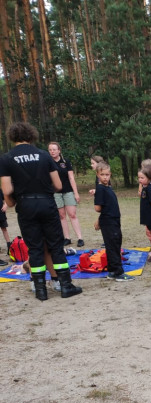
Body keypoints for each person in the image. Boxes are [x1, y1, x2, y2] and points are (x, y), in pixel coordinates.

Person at [0, 122, 82, 301]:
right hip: (47, 204)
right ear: (31, 136)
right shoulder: (44, 155)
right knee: (55, 246)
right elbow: (59, 185)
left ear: (13, 137)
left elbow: (6, 191)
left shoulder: (6, 159)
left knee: (35, 248)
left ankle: (40, 291)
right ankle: (66, 286)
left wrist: (15, 201)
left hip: (25, 206)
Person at [93, 162, 133, 281]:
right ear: (97, 175)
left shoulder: (107, 187)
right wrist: (100, 219)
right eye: (102, 174)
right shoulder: (100, 189)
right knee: (113, 246)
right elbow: (98, 208)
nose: (105, 177)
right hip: (109, 222)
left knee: (114, 244)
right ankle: (118, 272)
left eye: (107, 174)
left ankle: (111, 270)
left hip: (114, 220)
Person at [47, 141, 84, 247]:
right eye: (50, 150)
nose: (52, 151)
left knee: (72, 214)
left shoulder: (65, 161)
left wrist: (76, 193)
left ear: (59, 150)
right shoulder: (48, 163)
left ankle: (80, 238)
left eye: (54, 149)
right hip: (56, 193)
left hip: (68, 191)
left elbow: (71, 178)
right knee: (62, 216)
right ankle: (67, 238)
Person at [0, 186, 10, 264]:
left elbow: (6, 198)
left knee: (4, 229)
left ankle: (9, 247)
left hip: (1, 212)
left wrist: (5, 205)